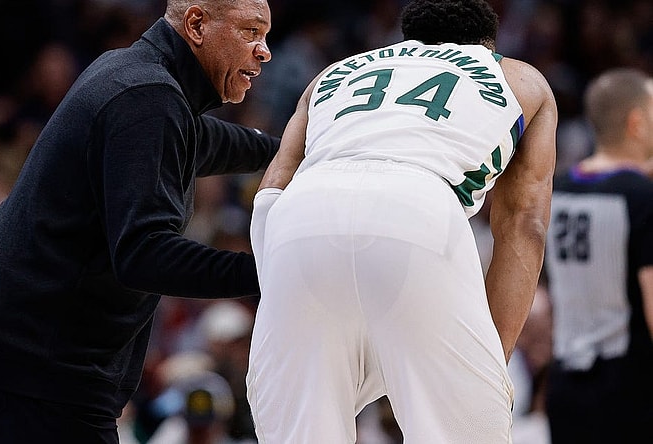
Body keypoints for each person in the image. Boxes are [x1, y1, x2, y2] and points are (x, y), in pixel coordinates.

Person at [0, 0, 277, 442]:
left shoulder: (139, 77)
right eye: (251, 32)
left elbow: (203, 141)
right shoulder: (149, 97)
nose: (264, 50)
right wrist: (272, 269)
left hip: (19, 348)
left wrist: (292, 152)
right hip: (33, 362)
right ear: (196, 25)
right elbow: (145, 254)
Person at [247, 0, 558, 442]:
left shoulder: (334, 72)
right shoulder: (520, 77)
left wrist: (280, 289)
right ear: (489, 43)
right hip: (420, 206)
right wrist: (490, 361)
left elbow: (272, 190)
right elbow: (523, 224)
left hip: (301, 214)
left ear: (406, 40)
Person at [543, 68, 653, 444]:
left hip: (563, 383)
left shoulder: (558, 191)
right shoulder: (641, 198)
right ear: (636, 123)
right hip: (629, 390)